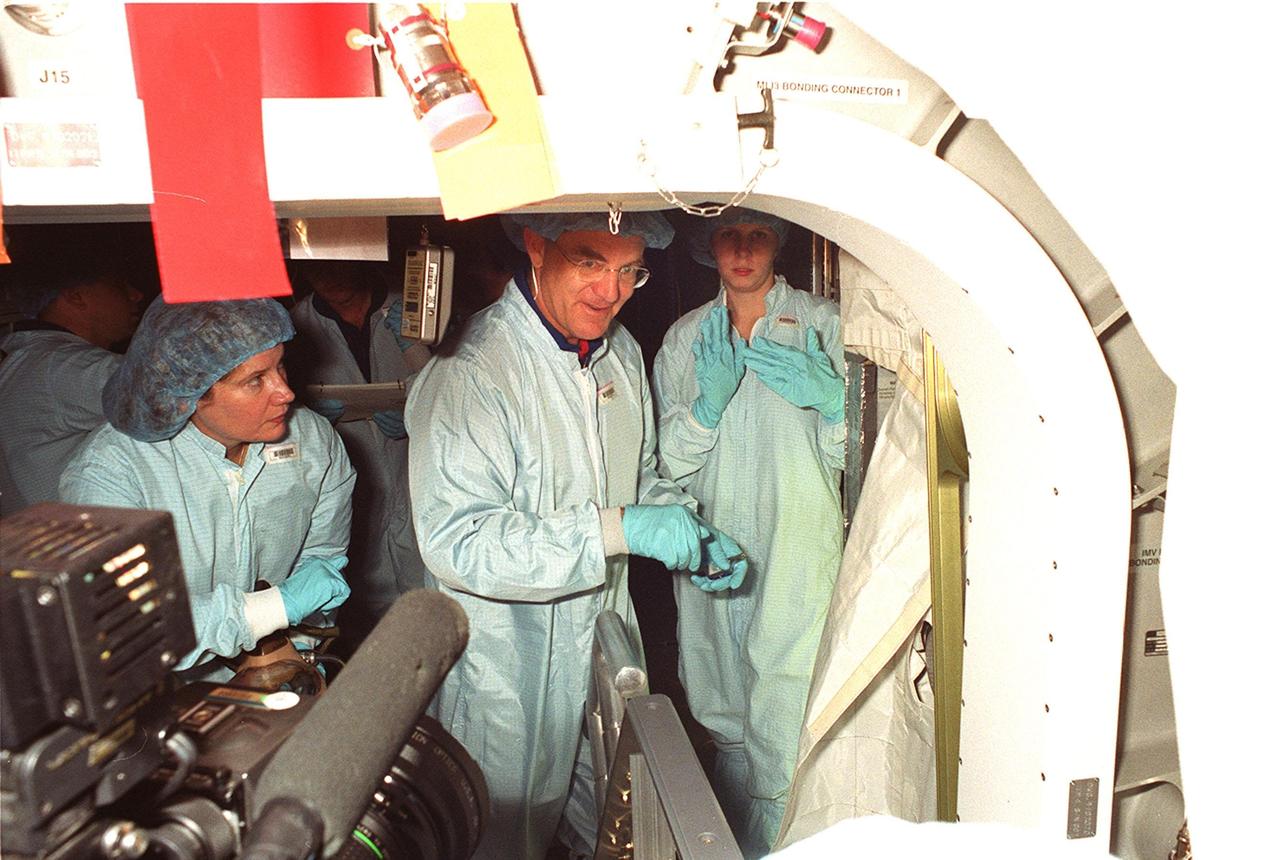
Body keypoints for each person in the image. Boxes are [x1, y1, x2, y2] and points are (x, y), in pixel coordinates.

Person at [405, 210, 749, 860]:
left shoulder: (618, 351)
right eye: (590, 263)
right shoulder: (476, 372)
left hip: (604, 645)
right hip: (510, 668)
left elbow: (637, 475)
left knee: (619, 831)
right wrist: (621, 530)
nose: (609, 292)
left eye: (628, 272)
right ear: (537, 246)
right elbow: (458, 541)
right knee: (503, 843)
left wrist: (686, 528)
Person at [652, 208, 846, 857]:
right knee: (722, 713)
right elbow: (664, 469)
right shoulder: (686, 340)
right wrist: (706, 408)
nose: (742, 249)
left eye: (757, 234)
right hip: (715, 557)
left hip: (798, 550)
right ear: (709, 244)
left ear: (777, 242)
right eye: (729, 235)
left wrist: (836, 405)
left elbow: (856, 460)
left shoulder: (821, 326)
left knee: (784, 721)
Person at [60, 298, 356, 679]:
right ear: (189, 393)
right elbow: (131, 625)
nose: (286, 392)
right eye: (255, 380)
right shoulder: (110, 473)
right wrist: (275, 608)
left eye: (280, 366)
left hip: (279, 665)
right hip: (163, 691)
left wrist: (294, 651)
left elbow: (321, 558)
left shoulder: (313, 440)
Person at [288, 260, 426, 649]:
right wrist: (306, 415)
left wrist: (418, 408)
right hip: (353, 484)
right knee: (371, 622)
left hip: (415, 476)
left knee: (432, 608)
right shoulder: (296, 325)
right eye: (315, 268)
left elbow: (460, 391)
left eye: (336, 264)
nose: (328, 275)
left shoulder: (414, 311)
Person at [0, 264, 143, 514]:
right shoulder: (64, 366)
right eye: (119, 286)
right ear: (76, 296)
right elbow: (170, 390)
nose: (136, 295)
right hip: (77, 541)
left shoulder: (26, 355)